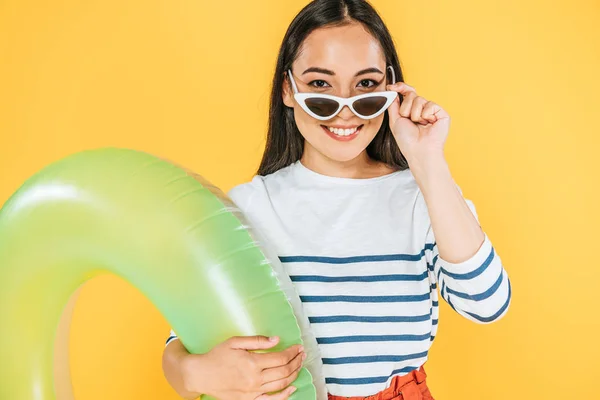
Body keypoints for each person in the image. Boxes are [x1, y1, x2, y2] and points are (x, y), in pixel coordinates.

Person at [162, 0, 511, 399]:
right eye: (320, 85)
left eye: (365, 85)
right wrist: (193, 374)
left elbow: (486, 303)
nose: (345, 111)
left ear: (391, 89)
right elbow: (182, 340)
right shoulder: (250, 207)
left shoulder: (426, 198)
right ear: (287, 91)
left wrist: (427, 160)